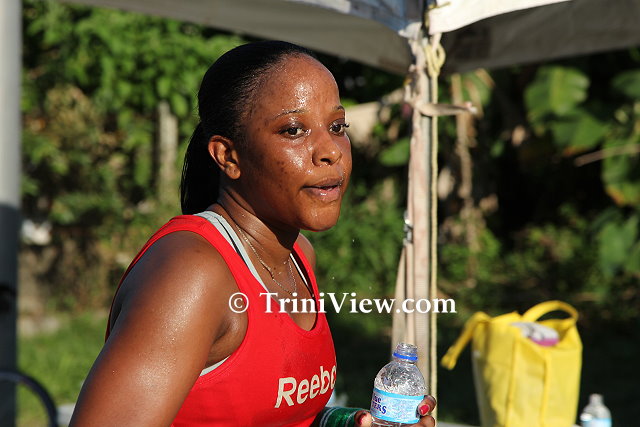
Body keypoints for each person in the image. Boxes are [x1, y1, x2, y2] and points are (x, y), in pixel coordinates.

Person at [70, 40, 436, 426]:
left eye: (336, 126)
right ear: (228, 156)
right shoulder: (191, 273)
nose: (330, 151)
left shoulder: (299, 256)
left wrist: (346, 423)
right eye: (294, 130)